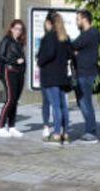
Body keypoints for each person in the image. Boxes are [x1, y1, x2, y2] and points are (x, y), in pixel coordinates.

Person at [38, 11, 73, 145]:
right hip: (63, 75)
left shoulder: (49, 37)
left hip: (50, 76)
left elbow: (47, 55)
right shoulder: (65, 37)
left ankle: (57, 134)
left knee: (55, 106)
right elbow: (70, 55)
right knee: (64, 105)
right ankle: (66, 133)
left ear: (49, 23)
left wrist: (40, 61)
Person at [72, 9, 100, 144]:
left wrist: (76, 51)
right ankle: (90, 130)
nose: (76, 22)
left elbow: (73, 45)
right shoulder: (90, 34)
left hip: (85, 73)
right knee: (82, 102)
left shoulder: (89, 34)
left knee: (85, 102)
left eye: (78, 19)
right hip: (84, 72)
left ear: (84, 19)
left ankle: (91, 132)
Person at [0, 19, 26, 138]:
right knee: (10, 99)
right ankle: (0, 127)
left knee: (15, 100)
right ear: (11, 28)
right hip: (9, 71)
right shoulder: (6, 40)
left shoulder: (19, 42)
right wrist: (14, 61)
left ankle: (12, 126)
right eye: (16, 28)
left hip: (19, 73)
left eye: (20, 29)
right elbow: (1, 56)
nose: (18, 31)